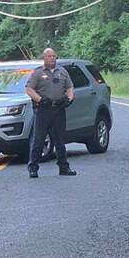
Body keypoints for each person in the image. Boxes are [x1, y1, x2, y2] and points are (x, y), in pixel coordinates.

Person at [25, 47, 76, 178]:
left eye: (54, 56)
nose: (52, 58)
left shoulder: (62, 71)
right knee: (39, 139)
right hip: (43, 110)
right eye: (49, 56)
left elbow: (69, 87)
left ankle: (64, 167)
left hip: (59, 109)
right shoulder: (38, 73)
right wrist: (40, 100)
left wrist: (69, 99)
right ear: (44, 58)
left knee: (60, 139)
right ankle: (33, 168)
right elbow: (29, 89)